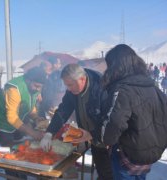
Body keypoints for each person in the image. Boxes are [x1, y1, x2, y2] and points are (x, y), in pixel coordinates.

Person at [100, 44, 166, 179]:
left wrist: (105, 140)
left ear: (115, 66)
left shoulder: (122, 89)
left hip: (127, 155)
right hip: (150, 154)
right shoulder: (153, 87)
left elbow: (114, 123)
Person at [40, 63, 113, 180]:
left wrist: (99, 135)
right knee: (102, 170)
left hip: (107, 139)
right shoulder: (73, 89)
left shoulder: (101, 87)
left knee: (110, 173)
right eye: (66, 85)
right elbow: (63, 111)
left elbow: (110, 118)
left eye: (70, 85)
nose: (68, 89)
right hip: (91, 138)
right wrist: (49, 133)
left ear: (82, 79)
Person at [0, 67, 47, 146]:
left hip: (18, 125)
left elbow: (30, 105)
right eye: (36, 86)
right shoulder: (14, 89)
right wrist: (32, 133)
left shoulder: (34, 88)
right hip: (4, 126)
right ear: (28, 80)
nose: (38, 89)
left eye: (40, 87)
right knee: (8, 153)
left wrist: (35, 118)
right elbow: (12, 117)